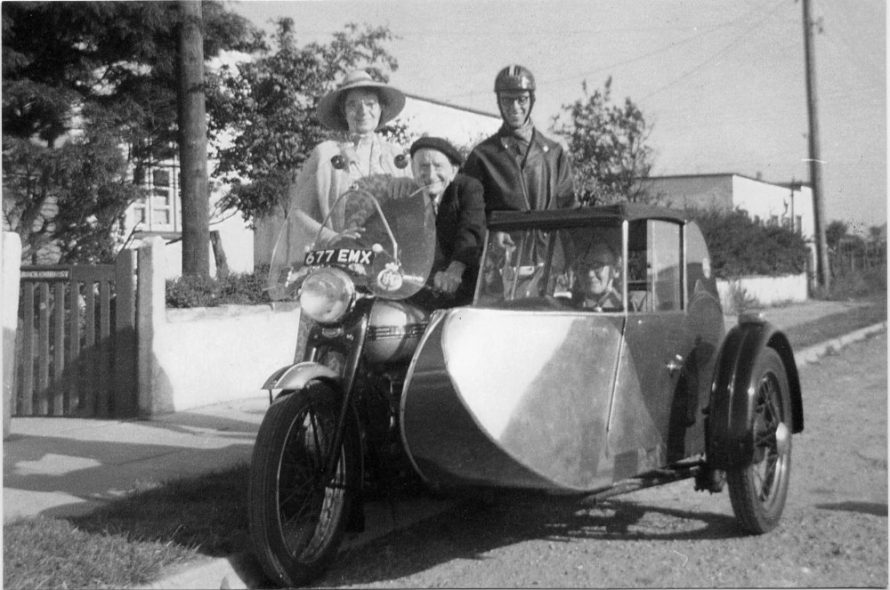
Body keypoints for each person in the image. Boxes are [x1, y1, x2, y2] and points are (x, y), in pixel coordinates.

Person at [284, 69, 412, 250]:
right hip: (340, 259)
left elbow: (415, 213)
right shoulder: (326, 154)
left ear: (380, 108)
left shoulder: (396, 157)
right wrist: (332, 238)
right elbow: (297, 212)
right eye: (353, 105)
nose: (362, 111)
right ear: (343, 112)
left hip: (389, 263)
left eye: (370, 103)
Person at [462, 64, 577, 215]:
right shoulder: (482, 156)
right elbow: (471, 216)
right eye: (507, 100)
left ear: (532, 100)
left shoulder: (555, 154)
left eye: (521, 99)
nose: (515, 107)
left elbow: (570, 211)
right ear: (498, 102)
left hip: (548, 239)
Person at [409, 136, 486, 306]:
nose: (430, 175)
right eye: (423, 166)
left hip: (464, 289)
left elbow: (471, 228)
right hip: (419, 289)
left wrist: (456, 267)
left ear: (453, 171)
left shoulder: (468, 188)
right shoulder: (406, 197)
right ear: (412, 169)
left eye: (437, 166)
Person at [575, 241, 623, 311]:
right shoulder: (566, 309)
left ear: (616, 270)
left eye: (597, 266)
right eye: (583, 267)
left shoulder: (629, 308)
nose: (590, 274)